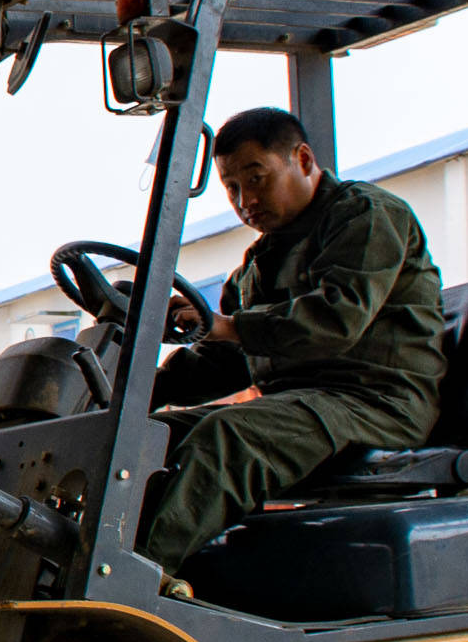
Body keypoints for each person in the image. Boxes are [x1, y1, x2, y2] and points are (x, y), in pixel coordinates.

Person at [141, 106, 447, 585]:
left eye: (256, 179)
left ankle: (129, 587)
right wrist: (133, 395)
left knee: (229, 437)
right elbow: (224, 361)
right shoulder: (259, 262)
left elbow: (335, 320)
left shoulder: (366, 215)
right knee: (148, 438)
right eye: (233, 188)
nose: (245, 200)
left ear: (302, 160)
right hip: (304, 406)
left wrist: (225, 325)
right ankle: (101, 565)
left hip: (377, 402)